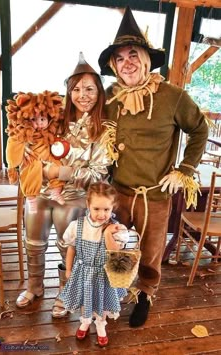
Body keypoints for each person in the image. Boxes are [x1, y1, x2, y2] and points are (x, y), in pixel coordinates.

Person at [98, 6, 208, 328]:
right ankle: (116, 288)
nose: (127, 62)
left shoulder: (172, 96)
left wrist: (185, 169)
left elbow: (199, 129)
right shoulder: (110, 98)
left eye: (133, 54)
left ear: (146, 58)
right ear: (113, 66)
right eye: (119, 58)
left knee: (150, 250)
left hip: (155, 194)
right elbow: (90, 127)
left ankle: (145, 293)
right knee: (116, 244)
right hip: (118, 190)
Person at [14, 53, 113, 317]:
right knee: (33, 224)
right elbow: (28, 132)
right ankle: (35, 285)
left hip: (78, 195)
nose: (83, 95)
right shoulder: (56, 120)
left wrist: (63, 171)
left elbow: (98, 174)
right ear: (68, 92)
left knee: (65, 225)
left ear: (99, 92)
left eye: (90, 89)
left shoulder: (103, 130)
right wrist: (24, 149)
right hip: (44, 191)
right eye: (77, 89)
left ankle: (65, 290)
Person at [58, 181, 129, 347]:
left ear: (113, 208)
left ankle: (100, 324)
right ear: (88, 204)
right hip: (83, 271)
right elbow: (71, 249)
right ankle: (85, 321)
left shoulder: (116, 229)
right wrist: (68, 269)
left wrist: (108, 235)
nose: (101, 214)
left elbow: (115, 253)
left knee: (102, 300)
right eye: (97, 209)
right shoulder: (78, 226)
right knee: (85, 297)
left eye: (107, 209)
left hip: (104, 273)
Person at [5, 93, 66, 213]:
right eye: (34, 119)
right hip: (33, 158)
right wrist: (12, 167)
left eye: (42, 119)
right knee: (31, 167)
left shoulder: (50, 130)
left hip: (47, 156)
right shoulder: (24, 133)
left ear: (49, 119)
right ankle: (31, 198)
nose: (38, 123)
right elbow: (13, 147)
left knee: (58, 164)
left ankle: (56, 190)